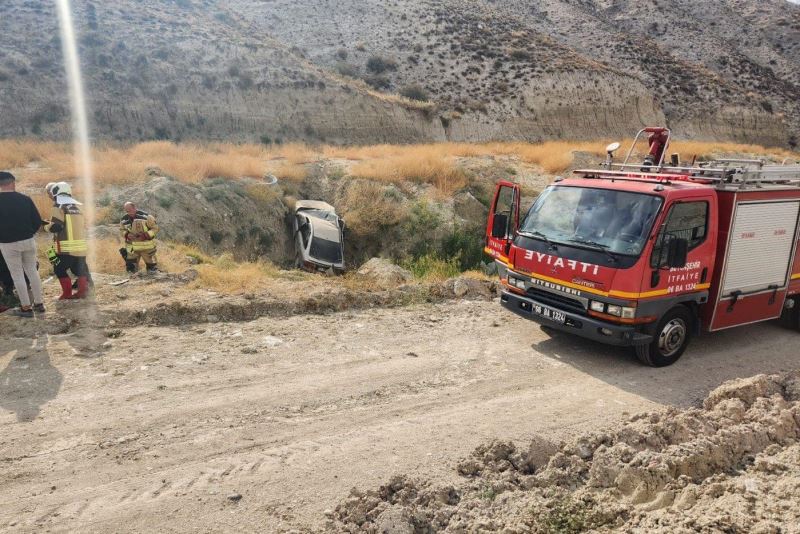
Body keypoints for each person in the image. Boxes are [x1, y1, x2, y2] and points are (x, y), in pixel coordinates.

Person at [0, 171, 46, 317]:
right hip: (28, 240)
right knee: (32, 271)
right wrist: (29, 233)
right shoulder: (25, 199)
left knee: (17, 275)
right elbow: (38, 221)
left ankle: (26, 308)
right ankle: (39, 303)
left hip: (8, 243)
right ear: (13, 183)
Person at [46, 181, 90, 300]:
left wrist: (46, 226)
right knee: (80, 269)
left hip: (66, 247)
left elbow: (57, 226)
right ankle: (82, 292)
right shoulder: (77, 207)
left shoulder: (59, 205)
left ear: (56, 193)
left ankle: (66, 294)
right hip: (80, 246)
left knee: (59, 269)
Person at [119, 202, 159, 274]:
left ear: (134, 208)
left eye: (130, 210)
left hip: (146, 248)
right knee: (131, 271)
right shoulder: (123, 220)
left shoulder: (147, 217)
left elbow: (155, 228)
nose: (128, 212)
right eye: (126, 211)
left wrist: (146, 235)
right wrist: (127, 235)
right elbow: (122, 230)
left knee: (152, 271)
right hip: (132, 249)